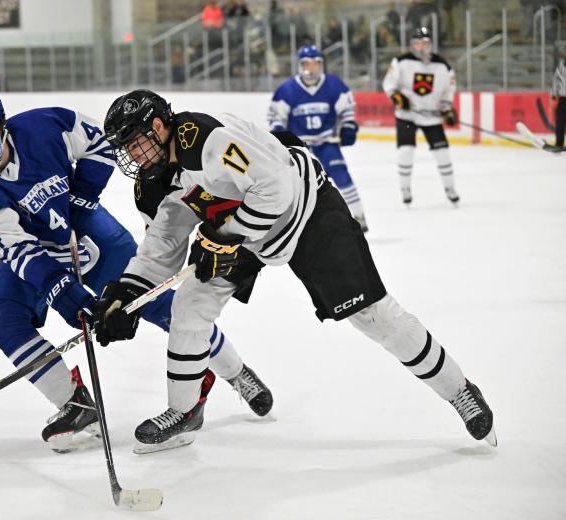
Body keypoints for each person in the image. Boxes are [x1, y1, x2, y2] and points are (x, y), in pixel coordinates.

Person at [97, 89, 496, 452]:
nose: (132, 156)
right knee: (189, 306)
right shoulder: (151, 185)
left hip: (305, 210)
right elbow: (162, 246)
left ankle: (459, 390)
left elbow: (276, 189)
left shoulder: (204, 138)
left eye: (135, 143)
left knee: (373, 316)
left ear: (159, 126)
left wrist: (225, 238)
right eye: (125, 149)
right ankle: (184, 412)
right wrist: (125, 293)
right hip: (243, 232)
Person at [0, 87, 273, 453]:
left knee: (163, 307)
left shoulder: (45, 126)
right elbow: (20, 252)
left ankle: (236, 372)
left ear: (0, 130)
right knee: (2, 315)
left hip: (94, 235)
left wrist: (82, 202)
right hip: (43, 256)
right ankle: (75, 403)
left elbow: (99, 143)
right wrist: (68, 298)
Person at [268, 46, 368, 232]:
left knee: (342, 176)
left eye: (315, 64)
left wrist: (347, 126)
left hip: (326, 143)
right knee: (298, 187)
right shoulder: (287, 90)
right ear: (300, 65)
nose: (311, 69)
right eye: (307, 64)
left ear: (321, 65)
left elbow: (346, 109)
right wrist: (280, 134)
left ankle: (359, 215)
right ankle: (296, 224)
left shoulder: (333, 85)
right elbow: (276, 118)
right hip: (301, 148)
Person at [382, 26, 460, 206]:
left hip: (431, 117)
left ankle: (450, 188)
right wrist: (398, 97)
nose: (421, 47)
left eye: (425, 43)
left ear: (430, 44)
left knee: (443, 153)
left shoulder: (442, 65)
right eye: (417, 43)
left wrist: (447, 108)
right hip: (406, 115)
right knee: (406, 151)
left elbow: (449, 90)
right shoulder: (401, 61)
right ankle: (405, 189)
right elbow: (389, 84)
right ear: (412, 45)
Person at [551, 44, 566, 149]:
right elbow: (556, 79)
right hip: (563, 98)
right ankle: (559, 144)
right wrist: (554, 93)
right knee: (560, 121)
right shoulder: (561, 65)